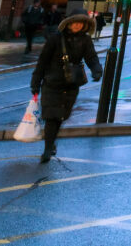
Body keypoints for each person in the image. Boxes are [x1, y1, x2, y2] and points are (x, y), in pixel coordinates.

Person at [29, 14, 103, 164]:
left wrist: (97, 70)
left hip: (71, 83)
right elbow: (42, 61)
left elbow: (91, 57)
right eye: (75, 23)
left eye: (81, 23)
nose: (77, 26)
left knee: (61, 116)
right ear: (68, 23)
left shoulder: (85, 40)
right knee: (51, 116)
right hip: (52, 82)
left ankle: (51, 141)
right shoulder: (55, 39)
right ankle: (48, 148)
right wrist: (35, 82)